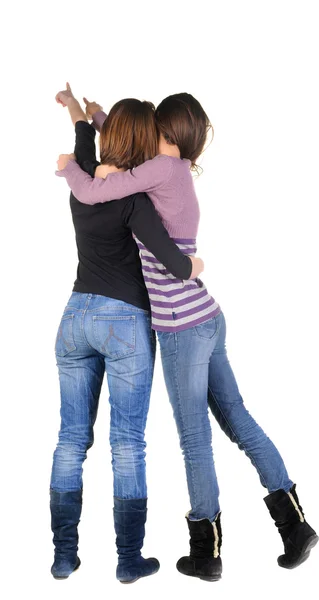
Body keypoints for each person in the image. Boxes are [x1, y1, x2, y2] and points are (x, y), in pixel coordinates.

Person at [57, 91, 318, 582]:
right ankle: (295, 525)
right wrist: (92, 114)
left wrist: (71, 164)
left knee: (195, 440)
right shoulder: (171, 170)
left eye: (155, 126)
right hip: (207, 315)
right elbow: (126, 137)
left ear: (167, 135)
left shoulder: (161, 169)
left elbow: (92, 191)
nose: (148, 134)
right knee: (238, 418)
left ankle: (206, 550)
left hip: (181, 326)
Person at [51, 84, 204, 584]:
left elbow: (81, 138)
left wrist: (80, 109)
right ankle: (128, 559)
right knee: (127, 444)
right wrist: (193, 264)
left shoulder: (82, 179)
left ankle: (63, 556)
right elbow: (172, 261)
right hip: (125, 323)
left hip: (75, 316)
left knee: (71, 441)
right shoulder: (136, 200)